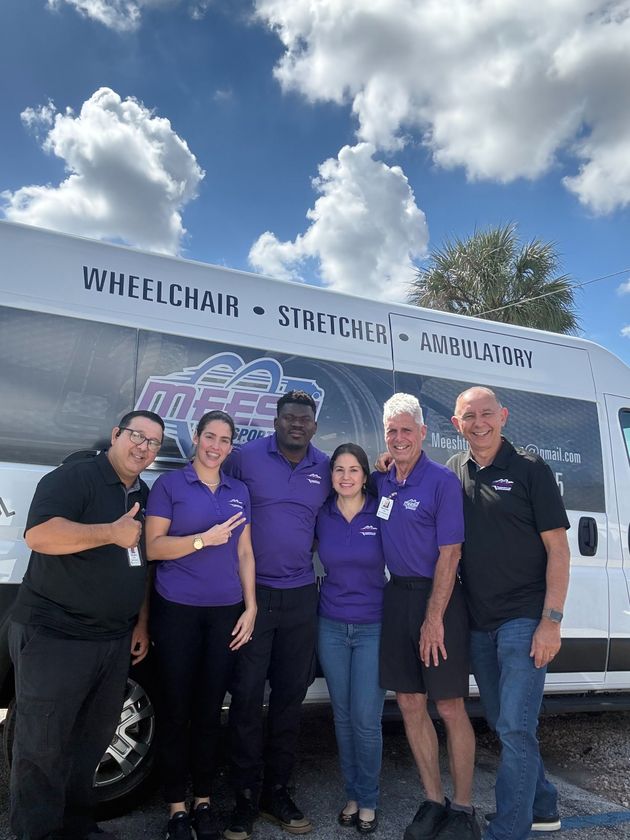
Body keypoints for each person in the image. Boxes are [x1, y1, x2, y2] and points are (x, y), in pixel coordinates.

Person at [9, 409, 164, 840]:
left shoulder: (143, 494)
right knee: (41, 748)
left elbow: (143, 564)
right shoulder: (73, 477)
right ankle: (37, 833)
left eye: (153, 443)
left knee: (89, 744)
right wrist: (109, 533)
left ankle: (78, 826)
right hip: (55, 635)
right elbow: (40, 536)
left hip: (113, 639)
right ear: (115, 434)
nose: (144, 448)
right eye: (137, 436)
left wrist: (141, 624)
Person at [448, 386, 570, 840]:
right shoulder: (454, 471)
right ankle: (542, 806)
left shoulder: (531, 470)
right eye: (468, 416)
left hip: (524, 619)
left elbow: (559, 549)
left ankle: (507, 830)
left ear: (503, 416)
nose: (478, 423)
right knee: (507, 725)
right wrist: (386, 465)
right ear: (455, 424)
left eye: (486, 414)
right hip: (480, 624)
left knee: (516, 729)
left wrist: (551, 621)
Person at [145, 410, 257, 840]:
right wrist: (201, 540)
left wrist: (251, 607)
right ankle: (176, 807)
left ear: (231, 446)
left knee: (210, 712)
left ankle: (204, 801)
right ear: (195, 438)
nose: (216, 446)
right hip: (177, 612)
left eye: (225, 440)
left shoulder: (238, 490)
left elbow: (245, 553)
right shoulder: (170, 485)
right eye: (209, 437)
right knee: (176, 711)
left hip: (225, 612)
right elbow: (153, 548)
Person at [224, 390, 331, 840]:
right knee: (247, 698)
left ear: (314, 424)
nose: (296, 425)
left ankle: (278, 792)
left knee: (290, 698)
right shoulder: (244, 458)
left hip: (301, 595)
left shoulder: (325, 467)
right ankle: (244, 798)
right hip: (251, 597)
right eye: (289, 418)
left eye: (304, 419)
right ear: (275, 420)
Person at [375, 393, 480, 840]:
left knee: (450, 706)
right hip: (397, 597)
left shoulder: (440, 481)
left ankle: (463, 808)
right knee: (410, 702)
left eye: (406, 430)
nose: (399, 439)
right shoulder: (383, 481)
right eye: (391, 431)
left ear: (422, 433)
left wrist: (434, 617)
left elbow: (450, 553)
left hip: (440, 601)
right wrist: (384, 463)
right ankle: (434, 800)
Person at [315, 443, 387, 835]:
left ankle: (370, 799)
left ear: (365, 475)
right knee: (342, 717)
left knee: (365, 719)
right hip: (330, 626)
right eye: (339, 470)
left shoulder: (381, 510)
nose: (346, 477)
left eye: (354, 470)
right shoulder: (322, 514)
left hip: (373, 626)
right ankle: (353, 796)